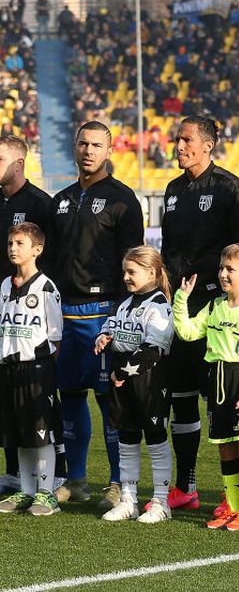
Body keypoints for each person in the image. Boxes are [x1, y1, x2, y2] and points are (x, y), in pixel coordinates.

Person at [48, 121, 144, 508]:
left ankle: (118, 482)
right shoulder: (61, 200)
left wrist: (122, 315)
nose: (89, 150)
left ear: (109, 152)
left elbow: (133, 261)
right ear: (75, 147)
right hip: (65, 313)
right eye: (83, 143)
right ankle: (76, 479)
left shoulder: (123, 200)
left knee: (110, 400)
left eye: (97, 145)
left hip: (103, 311)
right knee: (69, 395)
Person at [160, 116, 239, 510]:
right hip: (181, 310)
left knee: (225, 404)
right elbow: (168, 249)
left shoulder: (230, 189)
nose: (178, 146)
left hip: (219, 313)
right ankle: (186, 487)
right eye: (177, 140)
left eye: (185, 140)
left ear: (208, 145)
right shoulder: (172, 189)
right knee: (181, 399)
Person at [173, 243, 239, 531]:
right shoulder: (215, 305)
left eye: (231, 269)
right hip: (217, 380)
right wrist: (182, 299)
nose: (223, 274)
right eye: (221, 268)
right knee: (225, 448)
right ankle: (232, 505)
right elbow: (188, 332)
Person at [94, 247, 175, 523]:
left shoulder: (160, 304)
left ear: (152, 272)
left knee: (155, 437)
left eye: (132, 272)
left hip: (149, 380)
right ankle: (128, 500)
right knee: (127, 438)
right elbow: (111, 327)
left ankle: (161, 503)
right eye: (125, 272)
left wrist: (125, 372)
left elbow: (155, 349)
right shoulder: (124, 302)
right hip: (122, 380)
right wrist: (104, 337)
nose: (126, 277)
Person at [0, 136, 55, 492]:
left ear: (18, 164)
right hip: (4, 311)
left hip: (29, 316)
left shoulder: (41, 205)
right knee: (8, 410)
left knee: (43, 413)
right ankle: (16, 479)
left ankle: (54, 480)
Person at [0, 223, 63, 516]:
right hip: (8, 370)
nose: (13, 248)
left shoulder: (47, 288)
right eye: (10, 242)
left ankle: (46, 492)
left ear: (37, 250)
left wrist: (41, 365)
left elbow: (55, 336)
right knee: (18, 434)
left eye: (20, 243)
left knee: (41, 433)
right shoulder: (4, 285)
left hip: (36, 371)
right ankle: (25, 491)